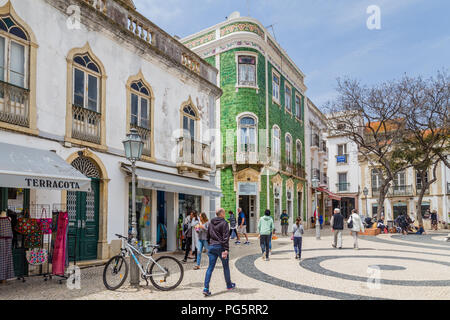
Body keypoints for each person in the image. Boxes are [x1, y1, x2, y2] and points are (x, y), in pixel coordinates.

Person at [203, 208, 236, 297]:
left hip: (212, 247)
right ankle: (229, 285)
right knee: (225, 267)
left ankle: (206, 288)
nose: (225, 214)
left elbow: (207, 235)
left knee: (210, 268)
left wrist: (209, 245)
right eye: (224, 212)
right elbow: (226, 237)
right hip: (221, 247)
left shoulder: (211, 222)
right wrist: (226, 249)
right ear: (221, 214)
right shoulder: (224, 223)